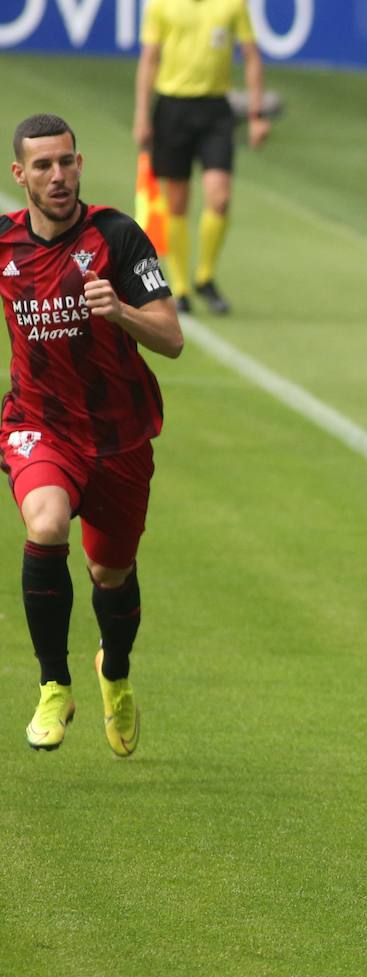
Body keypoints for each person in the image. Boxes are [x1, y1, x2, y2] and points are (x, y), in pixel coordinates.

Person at [2, 114, 184, 755]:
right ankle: (54, 685)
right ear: (20, 175)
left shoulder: (118, 237)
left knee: (112, 572)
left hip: (118, 437)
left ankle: (116, 672)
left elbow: (173, 338)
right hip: (39, 426)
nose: (59, 176)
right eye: (44, 166)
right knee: (45, 524)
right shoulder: (5, 245)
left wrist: (122, 311)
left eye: (67, 162)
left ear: (79, 163)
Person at [133, 0, 271, 316]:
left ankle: (205, 276)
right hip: (172, 108)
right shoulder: (161, 5)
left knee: (219, 198)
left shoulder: (232, 5)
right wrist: (142, 115)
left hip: (215, 111)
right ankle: (180, 287)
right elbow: (150, 59)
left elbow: (251, 56)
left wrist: (257, 112)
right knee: (177, 200)